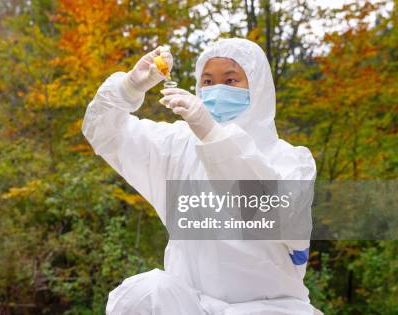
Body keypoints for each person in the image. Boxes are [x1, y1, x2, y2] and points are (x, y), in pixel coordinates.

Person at [82, 38, 319, 314]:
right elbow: (105, 135)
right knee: (145, 294)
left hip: (269, 307)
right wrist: (128, 88)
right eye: (207, 82)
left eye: (230, 81)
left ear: (258, 87)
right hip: (194, 305)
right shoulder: (179, 145)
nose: (217, 90)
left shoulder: (291, 161)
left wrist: (212, 134)